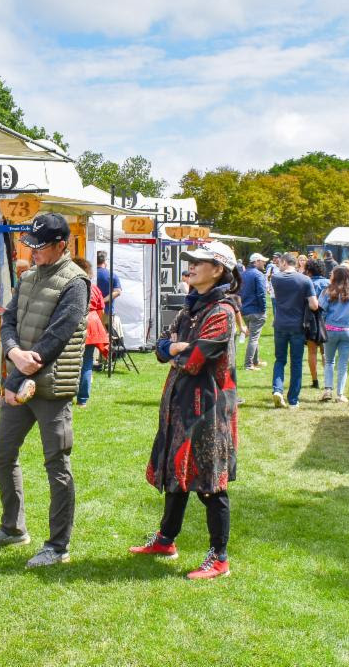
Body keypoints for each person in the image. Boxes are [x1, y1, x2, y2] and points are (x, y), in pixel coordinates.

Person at [0, 213, 89, 568]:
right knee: (2, 452)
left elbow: (61, 332)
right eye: (32, 246)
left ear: (61, 245)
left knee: (57, 464)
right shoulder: (26, 278)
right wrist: (13, 354)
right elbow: (8, 320)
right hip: (22, 381)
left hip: (52, 388)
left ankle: (58, 546)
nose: (34, 253)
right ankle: (13, 528)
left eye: (40, 248)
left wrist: (27, 364)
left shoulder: (76, 283)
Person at [130, 241, 241, 579]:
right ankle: (166, 539)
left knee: (210, 484)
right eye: (190, 261)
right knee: (176, 475)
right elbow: (160, 347)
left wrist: (176, 349)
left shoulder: (221, 312)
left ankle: (219, 558)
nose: (190, 266)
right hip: (179, 405)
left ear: (218, 270)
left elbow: (194, 361)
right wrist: (173, 347)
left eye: (198, 262)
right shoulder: (189, 308)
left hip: (208, 410)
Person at [270, 252, 318, 408]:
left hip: (280, 324)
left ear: (284, 262)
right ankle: (293, 400)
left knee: (280, 360)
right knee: (296, 362)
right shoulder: (305, 280)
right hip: (297, 326)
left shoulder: (276, 279)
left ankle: (277, 389)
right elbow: (314, 305)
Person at [317, 266, 349, 403]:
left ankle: (327, 390)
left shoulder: (327, 292)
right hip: (348, 332)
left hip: (330, 330)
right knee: (343, 364)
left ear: (334, 276)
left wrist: (322, 327)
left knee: (329, 362)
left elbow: (321, 311)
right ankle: (340, 394)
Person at [73, 257, 108, 407]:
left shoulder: (72, 284)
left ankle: (69, 396)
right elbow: (101, 310)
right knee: (87, 362)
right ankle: (82, 400)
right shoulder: (94, 288)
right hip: (93, 324)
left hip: (77, 323)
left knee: (72, 361)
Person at [240, 253, 268, 371]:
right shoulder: (259, 275)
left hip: (244, 310)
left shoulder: (242, 274)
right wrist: (263, 309)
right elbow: (261, 294)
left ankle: (255, 361)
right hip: (256, 310)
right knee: (253, 338)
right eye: (262, 261)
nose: (264, 263)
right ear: (256, 261)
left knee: (253, 336)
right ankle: (248, 364)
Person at [304, 260, 329, 389]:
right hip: (327, 321)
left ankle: (315, 381)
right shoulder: (329, 283)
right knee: (326, 352)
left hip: (311, 321)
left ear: (309, 270)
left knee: (312, 351)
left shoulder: (307, 283)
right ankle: (328, 380)